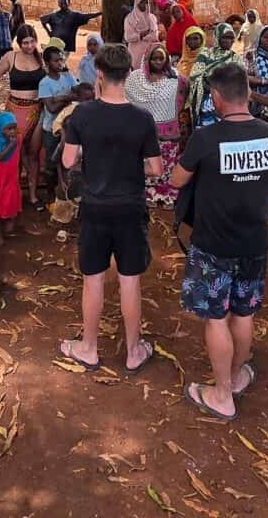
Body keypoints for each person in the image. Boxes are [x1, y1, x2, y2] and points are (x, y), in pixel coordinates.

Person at [171, 63, 268, 420]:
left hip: (213, 244)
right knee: (244, 313)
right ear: (247, 94)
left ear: (216, 97)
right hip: (255, 242)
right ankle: (238, 376)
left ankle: (222, 394)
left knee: (216, 318)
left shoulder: (206, 139)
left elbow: (179, 180)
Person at [60, 43, 161, 372]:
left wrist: (91, 159)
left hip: (95, 207)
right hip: (131, 207)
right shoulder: (142, 119)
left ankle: (89, 347)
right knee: (130, 280)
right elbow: (156, 168)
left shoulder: (82, 114)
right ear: (129, 74)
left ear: (99, 75)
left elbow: (69, 160)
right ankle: (134, 351)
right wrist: (130, 167)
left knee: (93, 279)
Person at [125, 43, 188, 207]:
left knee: (167, 165)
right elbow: (128, 101)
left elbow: (183, 96)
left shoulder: (176, 79)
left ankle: (166, 195)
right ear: (147, 59)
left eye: (162, 58)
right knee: (147, 165)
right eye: (154, 58)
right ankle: (148, 194)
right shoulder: (135, 80)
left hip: (169, 133)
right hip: (143, 133)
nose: (158, 62)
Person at [0, 24, 45, 210]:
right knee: (15, 153)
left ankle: (32, 196)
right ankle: (12, 196)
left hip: (37, 111)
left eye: (32, 42)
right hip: (15, 112)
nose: (29, 46)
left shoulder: (41, 58)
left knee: (33, 154)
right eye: (25, 42)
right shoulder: (11, 57)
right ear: (18, 43)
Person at [38, 46, 78, 200]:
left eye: (61, 59)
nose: (60, 63)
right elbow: (52, 108)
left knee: (68, 160)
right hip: (51, 129)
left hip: (68, 127)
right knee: (51, 163)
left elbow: (78, 92)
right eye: (56, 60)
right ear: (47, 63)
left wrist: (59, 98)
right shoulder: (44, 83)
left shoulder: (67, 76)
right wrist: (67, 97)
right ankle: (50, 194)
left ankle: (65, 193)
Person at [189, 23, 244, 127]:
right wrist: (214, 88)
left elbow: (240, 81)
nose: (229, 41)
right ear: (217, 37)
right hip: (207, 102)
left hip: (229, 101)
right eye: (225, 37)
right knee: (208, 133)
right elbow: (195, 76)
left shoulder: (235, 58)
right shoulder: (206, 54)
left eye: (231, 38)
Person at [0, 112, 22, 241]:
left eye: (14, 127)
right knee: (2, 197)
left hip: (13, 175)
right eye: (8, 128)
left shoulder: (18, 138)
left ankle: (9, 225)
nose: (12, 131)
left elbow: (20, 154)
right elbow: (0, 157)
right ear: (0, 128)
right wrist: (11, 145)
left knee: (12, 197)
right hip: (2, 176)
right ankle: (0, 227)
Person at [124, 0, 159, 70]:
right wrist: (140, 35)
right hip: (135, 52)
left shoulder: (152, 18)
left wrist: (141, 37)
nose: (145, 5)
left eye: (146, 2)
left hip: (149, 51)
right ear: (137, 3)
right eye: (142, 3)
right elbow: (128, 37)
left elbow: (155, 36)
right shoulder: (129, 18)